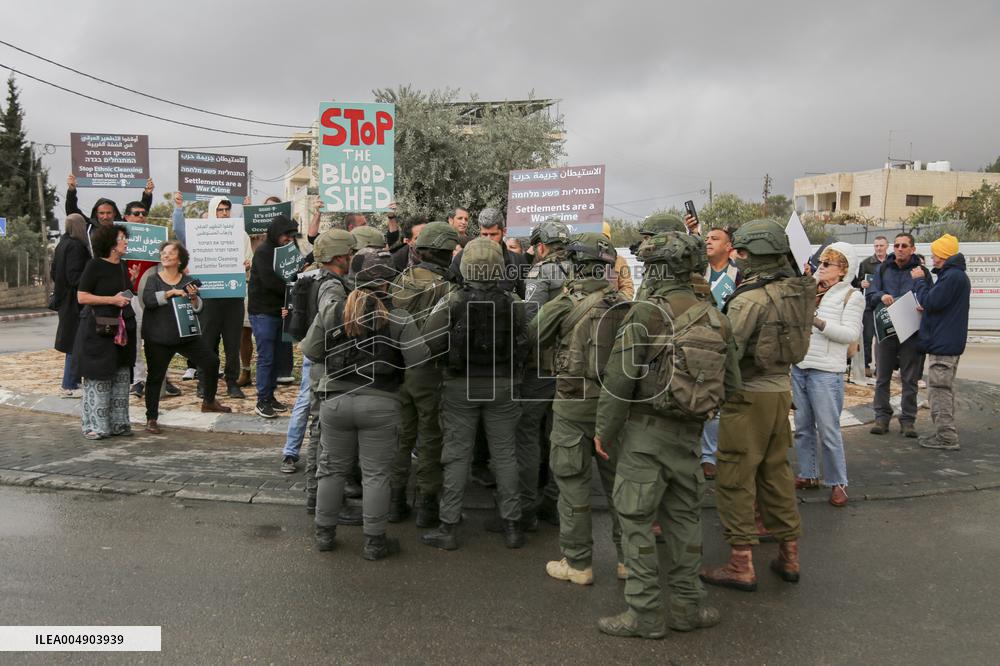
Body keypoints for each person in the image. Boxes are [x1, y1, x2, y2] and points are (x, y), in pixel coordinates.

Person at [594, 231, 739, 639]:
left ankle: (644, 614)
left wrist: (603, 431)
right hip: (690, 438)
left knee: (636, 521)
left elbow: (619, 382)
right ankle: (687, 607)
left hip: (644, 437)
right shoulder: (715, 316)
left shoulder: (645, 312)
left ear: (656, 269)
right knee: (685, 523)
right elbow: (734, 385)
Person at [700, 219, 815, 592]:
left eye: (744, 253)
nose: (740, 259)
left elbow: (727, 349)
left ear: (758, 255)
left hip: (748, 394)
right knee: (776, 473)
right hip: (782, 391)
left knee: (734, 474)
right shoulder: (798, 291)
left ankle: (740, 564)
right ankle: (789, 554)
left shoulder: (749, 299)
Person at [301, 251, 429, 560]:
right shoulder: (398, 317)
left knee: (330, 470)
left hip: (335, 403)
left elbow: (311, 351)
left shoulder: (333, 311)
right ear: (388, 285)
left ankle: (324, 534)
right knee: (376, 475)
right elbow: (420, 358)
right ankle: (374, 543)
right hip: (381, 405)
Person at [532, 232, 630, 585]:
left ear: (574, 263)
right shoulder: (624, 303)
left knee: (572, 483)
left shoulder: (564, 302)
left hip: (572, 404)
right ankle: (628, 561)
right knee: (619, 485)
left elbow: (533, 335)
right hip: (613, 407)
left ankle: (578, 563)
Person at [421, 237, 529, 551]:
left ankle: (448, 527)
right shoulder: (514, 302)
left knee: (456, 456)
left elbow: (430, 339)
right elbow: (527, 338)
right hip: (502, 386)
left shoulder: (453, 300)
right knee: (505, 455)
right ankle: (512, 526)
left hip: (460, 386)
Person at [387, 221, 461, 526]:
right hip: (431, 371)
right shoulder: (449, 287)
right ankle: (428, 508)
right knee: (431, 438)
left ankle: (394, 503)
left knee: (401, 438)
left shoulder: (400, 280)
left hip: (399, 368)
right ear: (444, 252)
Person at [792, 243, 864, 507]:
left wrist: (818, 321)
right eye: (821, 262)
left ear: (843, 270)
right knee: (802, 428)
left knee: (829, 430)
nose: (821, 267)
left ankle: (838, 483)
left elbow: (850, 334)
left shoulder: (852, 296)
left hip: (826, 372)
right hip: (801, 365)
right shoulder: (810, 288)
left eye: (827, 264)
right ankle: (808, 474)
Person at [516, 219, 573, 528]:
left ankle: (525, 507)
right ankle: (555, 499)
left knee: (526, 431)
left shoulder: (541, 271)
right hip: (575, 367)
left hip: (542, 367)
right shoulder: (586, 269)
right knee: (561, 435)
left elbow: (530, 319)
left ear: (541, 247)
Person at [140, 241, 231, 432]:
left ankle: (208, 401)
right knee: (155, 377)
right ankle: (151, 418)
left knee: (211, 361)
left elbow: (198, 309)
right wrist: (170, 293)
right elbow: (148, 301)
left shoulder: (187, 281)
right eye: (163, 253)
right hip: (158, 338)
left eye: (170, 253)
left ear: (179, 260)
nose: (165, 256)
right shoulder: (153, 279)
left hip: (185, 336)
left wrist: (193, 298)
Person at [172, 195, 252, 399]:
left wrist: (246, 265)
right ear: (213, 210)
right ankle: (204, 382)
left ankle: (232, 382)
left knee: (232, 343)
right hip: (209, 297)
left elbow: (248, 259)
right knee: (207, 342)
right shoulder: (200, 232)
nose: (224, 213)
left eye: (227, 209)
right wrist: (178, 208)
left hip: (233, 297)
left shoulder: (240, 234)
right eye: (220, 210)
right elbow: (182, 239)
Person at [74, 224, 138, 440]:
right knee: (99, 375)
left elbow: (126, 294)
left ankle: (118, 424)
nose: (126, 242)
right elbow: (82, 296)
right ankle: (95, 426)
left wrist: (134, 280)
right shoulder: (94, 266)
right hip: (99, 330)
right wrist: (112, 300)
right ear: (111, 243)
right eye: (122, 238)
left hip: (121, 330)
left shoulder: (123, 265)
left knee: (120, 376)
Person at [867, 233, 933, 437]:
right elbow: (870, 295)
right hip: (887, 331)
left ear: (913, 249)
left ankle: (908, 421)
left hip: (911, 332)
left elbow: (929, 297)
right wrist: (881, 296)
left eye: (904, 245)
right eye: (896, 245)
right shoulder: (883, 269)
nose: (900, 248)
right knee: (882, 376)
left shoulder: (920, 271)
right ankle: (881, 418)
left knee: (910, 378)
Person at [912, 234, 971, 451]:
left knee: (939, 390)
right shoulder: (954, 276)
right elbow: (938, 304)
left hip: (943, 344)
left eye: (936, 254)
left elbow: (932, 301)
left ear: (944, 255)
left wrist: (919, 280)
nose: (933, 258)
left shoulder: (953, 277)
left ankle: (946, 437)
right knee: (943, 388)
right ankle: (944, 433)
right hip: (948, 341)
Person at [699, 226, 742, 479]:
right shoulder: (698, 271)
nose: (708, 242)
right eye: (706, 239)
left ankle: (710, 455)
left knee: (719, 400)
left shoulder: (738, 274)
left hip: (726, 341)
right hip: (699, 340)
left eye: (715, 239)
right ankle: (701, 452)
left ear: (729, 247)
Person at [248, 215, 300, 418]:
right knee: (266, 357)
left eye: (291, 235)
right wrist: (294, 288)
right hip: (263, 312)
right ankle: (262, 400)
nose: (289, 239)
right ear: (276, 233)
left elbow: (293, 273)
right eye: (285, 235)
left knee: (276, 357)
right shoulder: (264, 252)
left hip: (280, 311)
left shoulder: (286, 251)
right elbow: (271, 282)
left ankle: (270, 396)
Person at [51, 213, 91, 398]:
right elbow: (75, 276)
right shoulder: (76, 246)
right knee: (75, 343)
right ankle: (69, 384)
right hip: (74, 301)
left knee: (73, 342)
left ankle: (72, 382)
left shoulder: (62, 244)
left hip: (65, 299)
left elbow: (54, 272)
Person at [450, 208, 528, 297]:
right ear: (480, 232)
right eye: (485, 234)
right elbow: (452, 293)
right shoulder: (462, 257)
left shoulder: (517, 261)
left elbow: (525, 298)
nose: (488, 239)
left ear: (504, 232)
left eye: (493, 234)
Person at [65, 174, 153, 233]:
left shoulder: (122, 226)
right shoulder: (89, 226)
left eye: (109, 213)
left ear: (114, 213)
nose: (105, 217)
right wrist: (71, 191)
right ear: (96, 213)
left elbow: (138, 214)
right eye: (102, 213)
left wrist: (147, 194)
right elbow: (72, 212)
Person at [854, 236, 888, 377]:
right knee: (867, 336)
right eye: (876, 246)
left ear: (887, 246)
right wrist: (861, 284)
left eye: (881, 245)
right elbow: (857, 282)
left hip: (886, 303)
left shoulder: (891, 263)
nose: (879, 248)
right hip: (869, 305)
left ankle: (882, 366)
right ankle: (866, 364)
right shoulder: (866, 263)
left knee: (884, 338)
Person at [602, 222, 634, 300]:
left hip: (611, 307)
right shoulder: (579, 260)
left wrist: (617, 303)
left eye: (602, 238)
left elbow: (627, 288)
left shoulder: (619, 260)